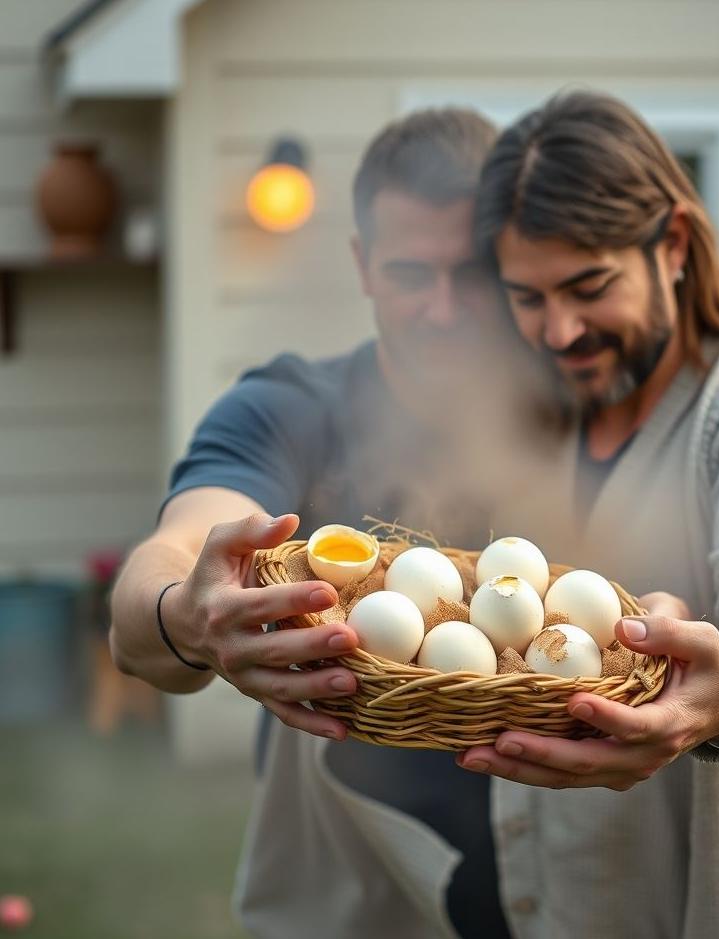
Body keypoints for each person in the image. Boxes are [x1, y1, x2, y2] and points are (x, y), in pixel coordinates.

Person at [110, 108, 527, 938]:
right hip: (352, 873)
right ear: (363, 264)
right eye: (412, 273)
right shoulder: (289, 409)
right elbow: (159, 580)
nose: (443, 309)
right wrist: (185, 614)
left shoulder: (577, 405)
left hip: (568, 863)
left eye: (470, 272)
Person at [455, 90, 719, 938]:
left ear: (671, 243)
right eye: (526, 297)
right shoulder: (529, 424)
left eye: (587, 286)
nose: (557, 330)